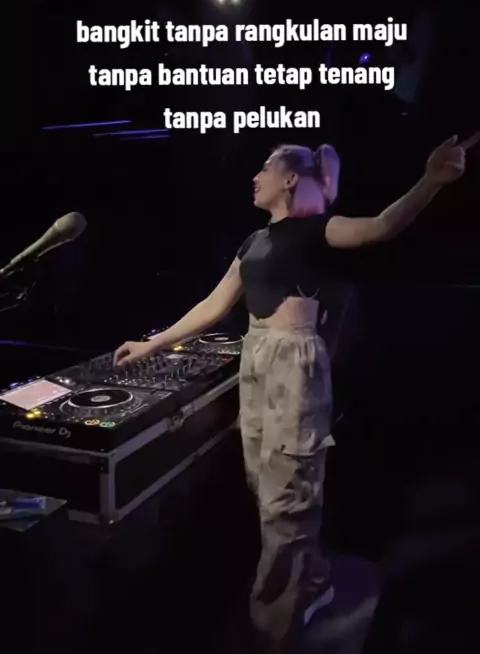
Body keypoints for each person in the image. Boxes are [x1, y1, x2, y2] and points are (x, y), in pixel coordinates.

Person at [113, 131, 478, 653]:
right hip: (256, 359)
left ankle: (275, 625)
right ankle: (312, 579)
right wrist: (152, 344)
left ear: (289, 179)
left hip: (293, 363)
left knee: (287, 494)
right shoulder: (253, 242)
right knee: (268, 486)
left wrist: (430, 180)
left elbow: (382, 226)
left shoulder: (319, 229)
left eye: (264, 168)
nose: (254, 177)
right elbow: (214, 305)